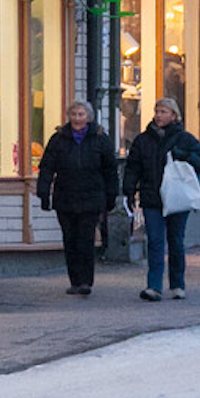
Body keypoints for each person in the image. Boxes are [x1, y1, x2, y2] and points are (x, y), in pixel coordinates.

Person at [122, 97, 200, 301]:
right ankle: (154, 286)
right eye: (157, 111)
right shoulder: (143, 140)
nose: (158, 115)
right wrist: (129, 190)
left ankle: (177, 284)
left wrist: (185, 156)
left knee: (176, 240)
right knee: (155, 241)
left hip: (178, 197)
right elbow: (133, 167)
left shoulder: (184, 139)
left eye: (163, 112)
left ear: (174, 116)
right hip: (152, 196)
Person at [36, 100, 118, 296]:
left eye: (81, 115)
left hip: (91, 196)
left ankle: (85, 281)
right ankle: (74, 280)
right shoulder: (59, 139)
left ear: (88, 117)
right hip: (65, 196)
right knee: (70, 239)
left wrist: (111, 195)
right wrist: (43, 193)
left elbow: (110, 170)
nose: (77, 118)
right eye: (74, 114)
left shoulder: (99, 139)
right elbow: (47, 167)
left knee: (86, 239)